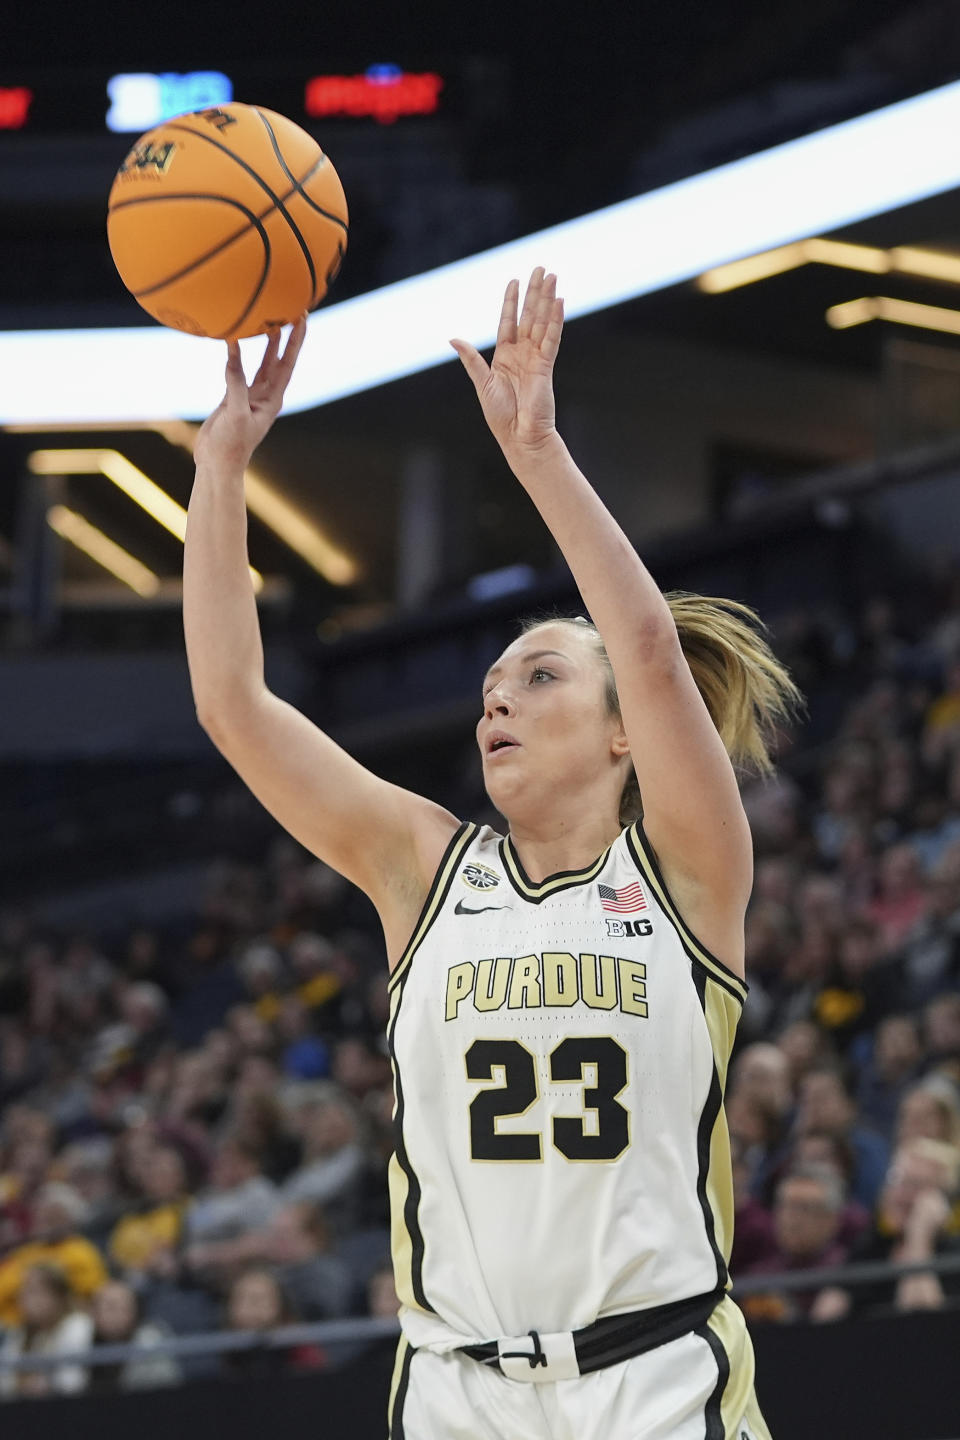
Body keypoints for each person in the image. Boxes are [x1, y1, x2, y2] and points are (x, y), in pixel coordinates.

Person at [184, 270, 801, 1438]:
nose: (496, 704)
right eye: (489, 689)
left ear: (625, 732)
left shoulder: (684, 869)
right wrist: (219, 474)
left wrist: (538, 454)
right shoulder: (425, 870)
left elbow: (652, 648)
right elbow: (232, 705)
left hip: (658, 1376)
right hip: (459, 1390)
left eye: (539, 676)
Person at [0, 1263, 93, 1399]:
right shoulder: (21, 1334)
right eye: (23, 1292)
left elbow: (72, 1383)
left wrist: (47, 1385)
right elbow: (4, 1384)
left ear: (58, 1295)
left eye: (33, 1291)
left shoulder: (77, 1325)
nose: (24, 1299)